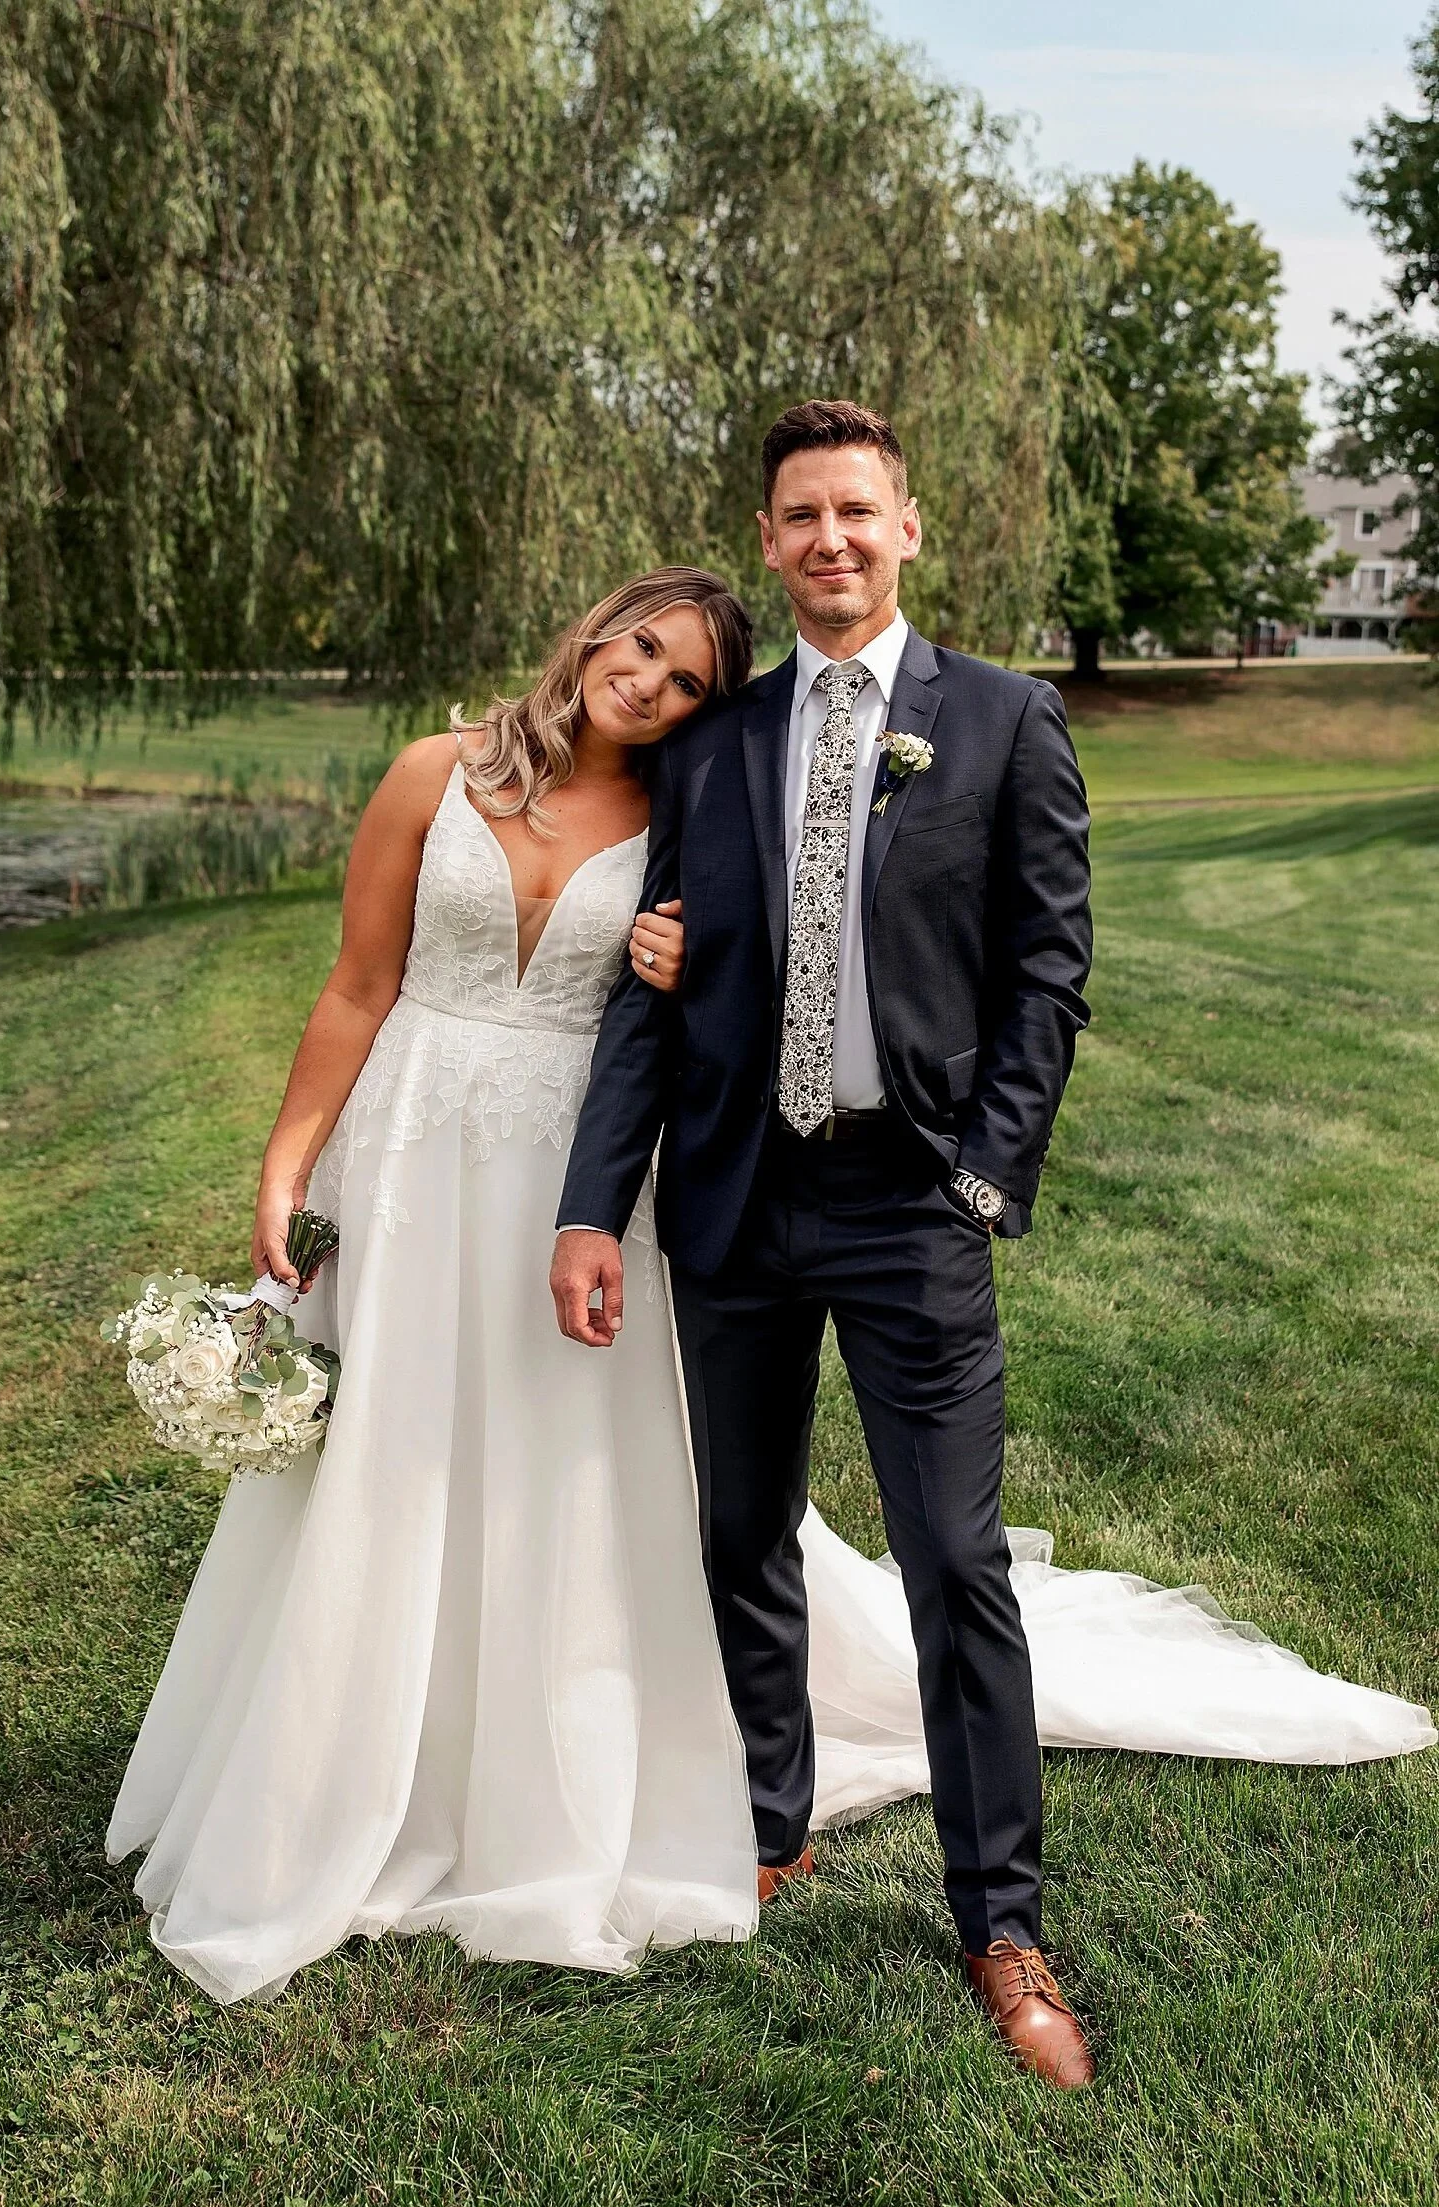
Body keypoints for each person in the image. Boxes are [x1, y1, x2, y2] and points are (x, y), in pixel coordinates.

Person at [550, 400, 1436, 2089]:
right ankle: (769, 1825)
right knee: (742, 1533)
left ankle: (1002, 1922)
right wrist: (597, 1201)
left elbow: (1048, 971)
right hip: (733, 1200)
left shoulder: (1008, 720)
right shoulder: (715, 745)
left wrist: (983, 1177)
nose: (828, 538)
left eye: (855, 510)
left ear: (906, 528)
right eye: (799, 514)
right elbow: (653, 987)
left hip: (910, 1207)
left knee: (957, 1563)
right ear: (769, 540)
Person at [107, 568, 764, 1999]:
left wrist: (686, 958)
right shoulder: (435, 771)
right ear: (598, 629)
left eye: (687, 683)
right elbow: (358, 984)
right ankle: (340, 1764)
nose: (648, 684)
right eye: (643, 646)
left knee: (553, 1453)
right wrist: (288, 1163)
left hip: (569, 1173)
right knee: (385, 1446)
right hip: (406, 1147)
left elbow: (731, 1006)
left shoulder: (686, 823)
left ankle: (537, 1772)